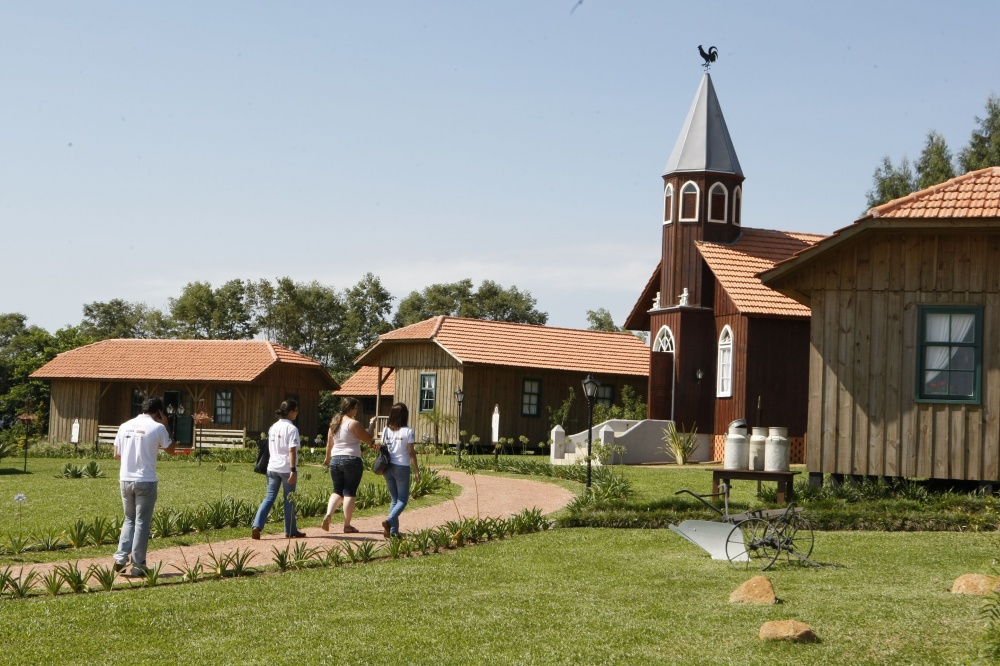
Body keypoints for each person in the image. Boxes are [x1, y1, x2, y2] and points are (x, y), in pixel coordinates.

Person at [113, 396, 175, 576]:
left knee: (129, 519)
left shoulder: (124, 425)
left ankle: (120, 557)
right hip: (146, 480)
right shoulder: (158, 427)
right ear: (159, 412)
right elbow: (171, 450)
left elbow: (116, 454)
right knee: (142, 522)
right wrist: (167, 425)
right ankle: (138, 565)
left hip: (125, 478)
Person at [251, 399, 305, 539]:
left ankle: (257, 525)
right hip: (286, 468)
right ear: (291, 412)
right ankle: (290, 530)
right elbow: (292, 450)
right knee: (289, 499)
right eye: (296, 411)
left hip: (272, 467)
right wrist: (293, 469)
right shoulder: (292, 429)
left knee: (269, 497)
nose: (297, 414)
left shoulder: (273, 427)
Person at [321, 397, 374, 533]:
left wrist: (327, 459)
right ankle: (347, 524)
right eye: (356, 408)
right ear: (350, 409)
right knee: (350, 491)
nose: (357, 411)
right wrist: (372, 425)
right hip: (351, 459)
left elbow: (329, 444)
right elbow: (368, 439)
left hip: (335, 459)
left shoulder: (334, 424)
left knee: (337, 490)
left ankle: (328, 515)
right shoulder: (353, 423)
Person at [381, 402, 420, 538]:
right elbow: (411, 452)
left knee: (394, 499)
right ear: (404, 416)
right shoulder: (408, 431)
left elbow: (382, 448)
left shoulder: (386, 430)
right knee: (402, 500)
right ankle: (389, 521)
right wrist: (416, 470)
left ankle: (393, 531)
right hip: (402, 467)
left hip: (388, 467)